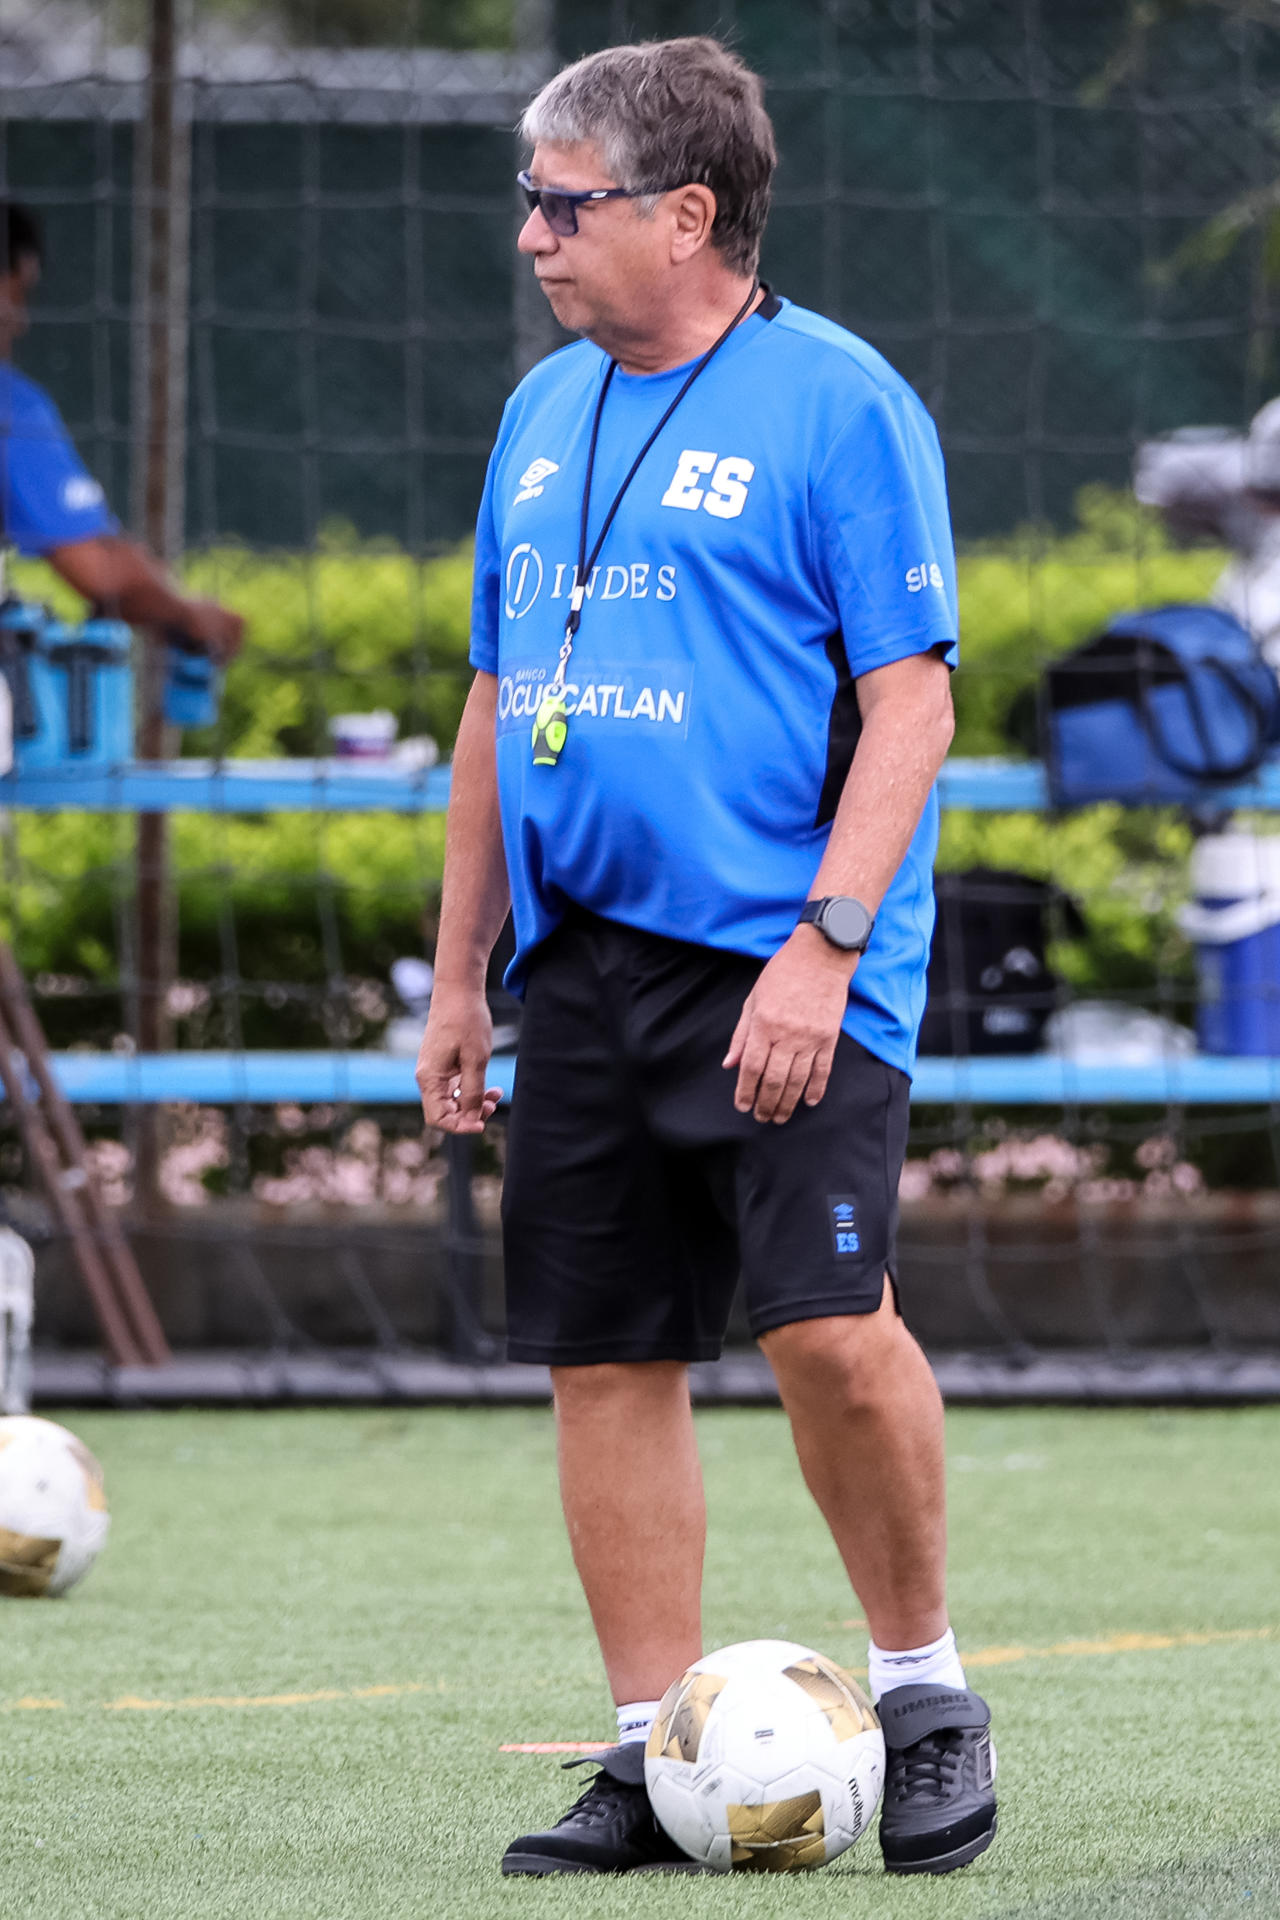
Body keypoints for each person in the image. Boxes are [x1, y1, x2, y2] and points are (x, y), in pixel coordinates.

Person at [416, 35, 997, 1880]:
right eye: (529, 197)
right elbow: (499, 705)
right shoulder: (539, 415)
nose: (531, 235)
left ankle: (925, 1693)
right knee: (605, 1356)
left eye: (560, 198)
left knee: (826, 1326)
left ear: (688, 212)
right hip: (578, 964)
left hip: (786, 956)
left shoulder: (842, 404)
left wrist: (825, 946)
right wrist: (456, 975)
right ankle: (650, 1752)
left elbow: (913, 701)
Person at [0, 202, 242, 663]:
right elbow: (100, 573)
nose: (21, 319)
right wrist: (191, 615)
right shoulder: (9, 405)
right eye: (17, 295)